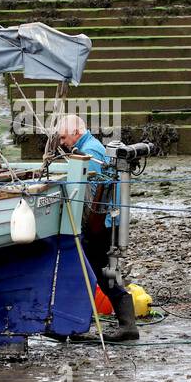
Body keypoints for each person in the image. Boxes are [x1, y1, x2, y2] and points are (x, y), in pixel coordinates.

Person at [55, 114, 139, 342]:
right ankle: (79, 323)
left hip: (100, 224)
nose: (61, 142)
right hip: (105, 221)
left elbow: (89, 191)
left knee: (95, 271)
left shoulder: (89, 152)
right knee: (92, 271)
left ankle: (125, 326)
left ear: (76, 133)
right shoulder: (91, 147)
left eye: (63, 137)